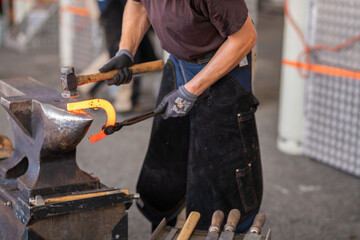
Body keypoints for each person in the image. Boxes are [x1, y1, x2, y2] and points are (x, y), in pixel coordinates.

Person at [99, 0, 263, 232]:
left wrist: (192, 90)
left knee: (218, 170)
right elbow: (137, 5)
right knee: (167, 154)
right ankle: (168, 222)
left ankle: (214, 230)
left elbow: (244, 38)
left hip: (226, 65)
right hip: (179, 62)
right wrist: (126, 51)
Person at [91, 0, 157, 112]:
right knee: (127, 57)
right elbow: (136, 5)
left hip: (117, 13)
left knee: (117, 56)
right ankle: (126, 101)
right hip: (116, 13)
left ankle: (87, 85)